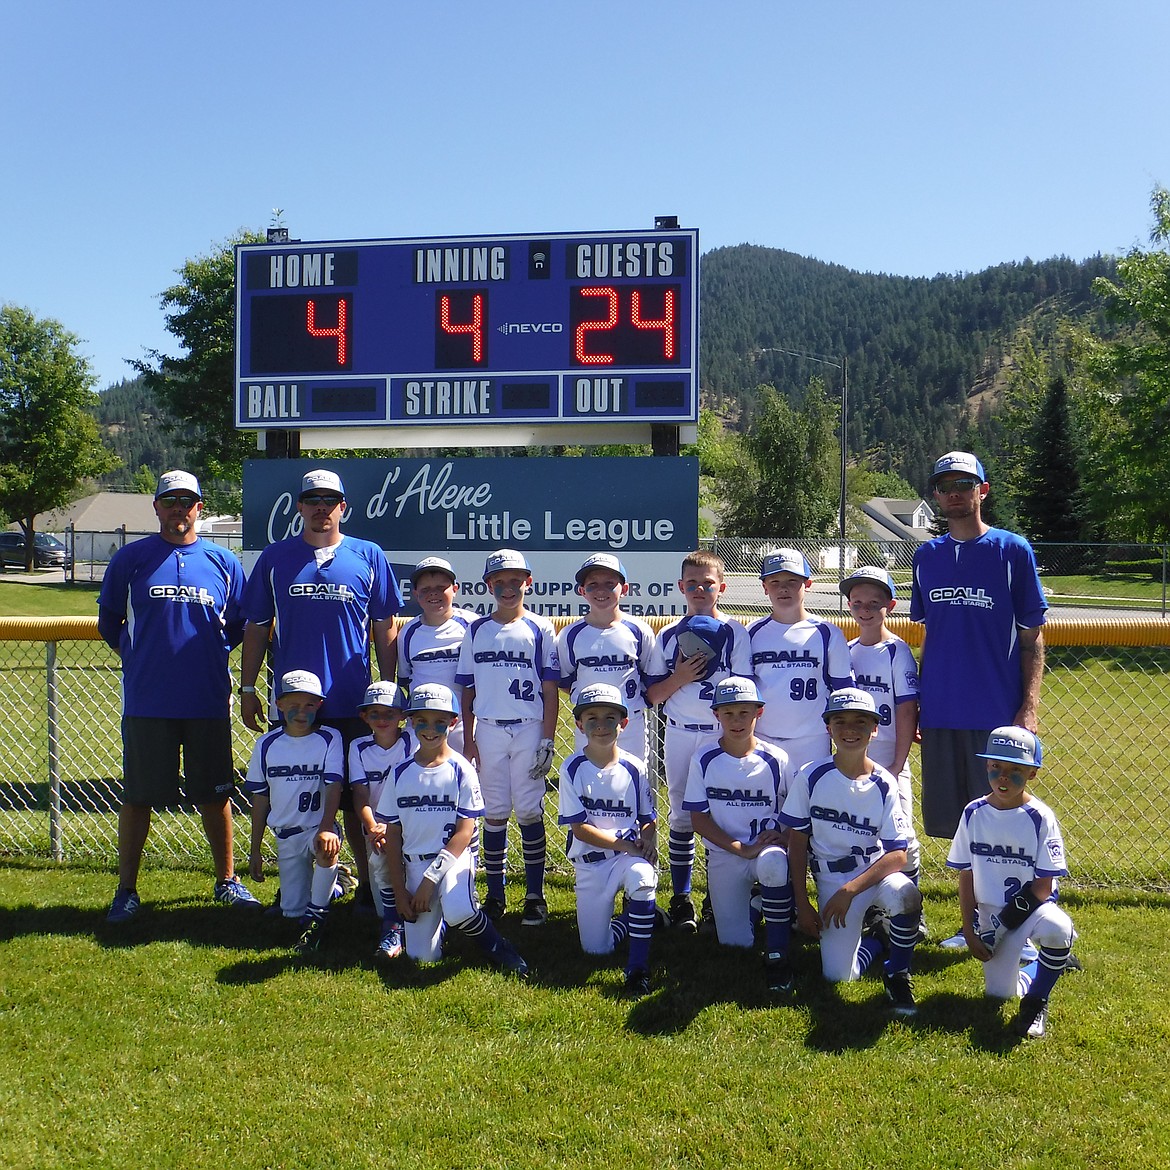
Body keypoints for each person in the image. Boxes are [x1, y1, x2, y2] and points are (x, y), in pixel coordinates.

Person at [97, 470, 260, 922]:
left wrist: (208, 657)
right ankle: (126, 890)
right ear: (156, 507)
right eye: (169, 501)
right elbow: (110, 622)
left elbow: (238, 626)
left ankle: (227, 879)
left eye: (186, 501)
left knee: (215, 794)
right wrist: (138, 657)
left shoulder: (223, 562)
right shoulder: (131, 559)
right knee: (139, 796)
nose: (178, 509)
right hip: (148, 702)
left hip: (206, 699)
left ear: (199, 508)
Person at [239, 468, 403, 910]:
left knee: (356, 800)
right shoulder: (275, 558)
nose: (320, 508)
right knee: (295, 795)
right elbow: (256, 625)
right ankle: (298, 883)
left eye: (329, 500)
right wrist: (248, 686)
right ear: (299, 506)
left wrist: (386, 687)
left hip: (352, 699)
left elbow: (384, 626)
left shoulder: (368, 555)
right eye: (311, 499)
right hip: (295, 703)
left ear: (342, 508)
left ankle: (371, 885)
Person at [910, 451, 1048, 947]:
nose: (953, 493)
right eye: (944, 485)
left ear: (983, 491)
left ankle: (1029, 927)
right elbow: (934, 636)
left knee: (1007, 823)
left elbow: (1033, 636)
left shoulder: (1012, 550)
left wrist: (1028, 707)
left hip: (995, 714)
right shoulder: (926, 557)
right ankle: (976, 922)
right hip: (944, 710)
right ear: (936, 495)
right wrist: (922, 705)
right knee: (962, 829)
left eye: (964, 484)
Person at [780, 688, 923, 1016]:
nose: (850, 729)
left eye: (861, 722)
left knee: (907, 896)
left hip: (871, 873)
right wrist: (803, 904)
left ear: (875, 728)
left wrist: (851, 890)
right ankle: (877, 940)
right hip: (831, 877)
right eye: (840, 721)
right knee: (839, 977)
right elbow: (797, 845)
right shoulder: (811, 776)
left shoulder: (884, 781)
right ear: (828, 727)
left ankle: (897, 973)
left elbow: (899, 855)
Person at [378, 682, 528, 977]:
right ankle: (439, 922)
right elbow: (393, 834)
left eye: (440, 722)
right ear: (410, 722)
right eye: (421, 721)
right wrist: (399, 890)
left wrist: (430, 881)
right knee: (423, 959)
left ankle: (496, 945)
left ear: (454, 722)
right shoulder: (400, 772)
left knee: (460, 909)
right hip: (415, 863)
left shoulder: (461, 769)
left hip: (452, 860)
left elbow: (464, 832)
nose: (430, 729)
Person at [946, 726, 1076, 1039]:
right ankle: (1049, 965)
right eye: (996, 768)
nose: (1003, 777)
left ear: (1032, 772)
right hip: (990, 914)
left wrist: (1001, 929)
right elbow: (966, 874)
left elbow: (1043, 888)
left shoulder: (1039, 817)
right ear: (986, 767)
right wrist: (969, 928)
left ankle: (1037, 1001)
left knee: (1059, 929)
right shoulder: (974, 812)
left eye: (1015, 770)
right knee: (1000, 995)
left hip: (1031, 912)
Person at [645, 550, 752, 930]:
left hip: (720, 736)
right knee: (681, 816)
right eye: (692, 584)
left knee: (721, 816)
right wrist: (680, 677)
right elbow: (652, 696)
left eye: (708, 583)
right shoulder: (669, 633)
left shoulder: (736, 632)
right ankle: (681, 898)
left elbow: (744, 689)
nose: (700, 589)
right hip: (680, 732)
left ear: (721, 587)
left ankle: (716, 899)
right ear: (681, 588)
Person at [455, 549, 560, 927]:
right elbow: (466, 689)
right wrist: (468, 740)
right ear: (488, 586)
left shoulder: (540, 627)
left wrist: (547, 739)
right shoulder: (477, 629)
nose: (508, 587)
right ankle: (495, 893)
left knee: (530, 810)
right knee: (495, 812)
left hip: (529, 726)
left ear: (527, 583)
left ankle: (534, 894)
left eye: (516, 580)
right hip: (489, 727)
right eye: (500, 581)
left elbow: (550, 689)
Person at [683, 676, 796, 995]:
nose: (736, 720)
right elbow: (698, 819)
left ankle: (777, 954)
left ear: (759, 713)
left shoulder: (777, 758)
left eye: (744, 712)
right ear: (716, 715)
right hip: (726, 852)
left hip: (766, 850)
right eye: (729, 713)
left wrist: (784, 838)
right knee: (735, 942)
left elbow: (796, 810)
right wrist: (739, 849)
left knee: (774, 865)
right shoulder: (704, 759)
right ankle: (760, 904)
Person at [557, 682, 659, 996]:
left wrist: (648, 842)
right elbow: (579, 829)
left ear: (623, 723)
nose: (601, 725)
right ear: (578, 724)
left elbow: (648, 818)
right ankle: (635, 918)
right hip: (591, 864)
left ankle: (637, 971)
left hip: (625, 859)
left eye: (610, 718)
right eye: (592, 718)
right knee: (596, 951)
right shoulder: (572, 767)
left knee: (643, 878)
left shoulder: (634, 766)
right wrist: (626, 844)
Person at [245, 670, 343, 955]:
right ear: (279, 705)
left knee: (326, 848)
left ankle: (319, 916)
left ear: (320, 706)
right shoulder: (266, 744)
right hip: (287, 834)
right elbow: (260, 798)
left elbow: (333, 785)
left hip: (317, 827)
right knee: (290, 912)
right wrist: (255, 850)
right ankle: (335, 886)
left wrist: (327, 826)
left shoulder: (329, 738)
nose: (302, 712)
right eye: (294, 705)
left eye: (310, 705)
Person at [839, 567, 922, 891]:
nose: (865, 610)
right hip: (853, 756)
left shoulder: (896, 650)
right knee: (860, 831)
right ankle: (875, 907)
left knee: (902, 837)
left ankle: (910, 911)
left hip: (888, 753)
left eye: (875, 603)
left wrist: (898, 765)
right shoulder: (848, 650)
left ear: (891, 605)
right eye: (857, 602)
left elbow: (905, 710)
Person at [748, 548, 854, 772]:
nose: (783, 588)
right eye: (774, 581)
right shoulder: (751, 633)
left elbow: (843, 691)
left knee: (809, 804)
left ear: (807, 584)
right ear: (764, 587)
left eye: (792, 580)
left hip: (812, 739)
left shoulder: (828, 633)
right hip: (762, 738)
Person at [557, 553, 662, 763]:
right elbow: (567, 681)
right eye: (592, 584)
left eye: (610, 583)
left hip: (629, 722)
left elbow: (648, 678)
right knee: (590, 779)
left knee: (633, 779)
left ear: (624, 589)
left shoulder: (639, 631)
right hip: (589, 724)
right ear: (581, 591)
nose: (601, 590)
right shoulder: (570, 635)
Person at [348, 681, 413, 962]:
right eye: (374, 714)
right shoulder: (359, 746)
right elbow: (360, 794)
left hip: (407, 822)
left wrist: (391, 825)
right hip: (375, 828)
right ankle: (391, 922)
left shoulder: (411, 740)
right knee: (382, 892)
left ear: (403, 716)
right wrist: (374, 826)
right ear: (364, 717)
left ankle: (399, 924)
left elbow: (412, 785)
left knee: (409, 878)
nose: (383, 720)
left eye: (390, 713)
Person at [396, 557, 476, 754]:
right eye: (425, 590)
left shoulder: (472, 626)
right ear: (415, 594)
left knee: (466, 773)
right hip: (422, 718)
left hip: (464, 720)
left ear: (455, 590)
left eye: (441, 588)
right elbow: (406, 679)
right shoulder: (408, 632)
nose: (434, 593)